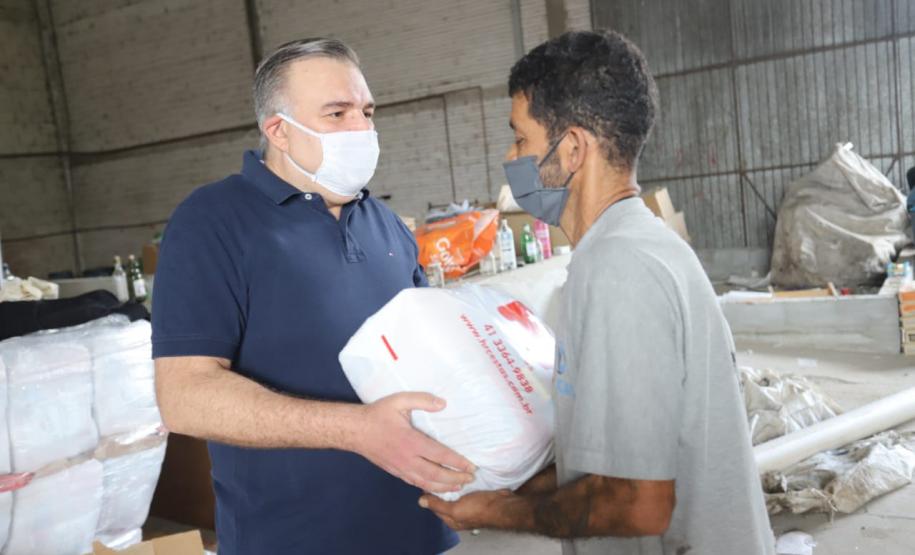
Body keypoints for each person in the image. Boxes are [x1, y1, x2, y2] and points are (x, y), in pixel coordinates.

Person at [420, 29, 775, 555]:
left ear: (572, 149)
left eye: (521, 138)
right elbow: (609, 457)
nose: (510, 155)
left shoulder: (617, 266)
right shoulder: (632, 244)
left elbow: (636, 503)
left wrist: (495, 510)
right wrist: (506, 482)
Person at [151, 38, 474, 554]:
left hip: (419, 531)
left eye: (367, 111)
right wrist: (357, 430)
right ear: (278, 129)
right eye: (337, 112)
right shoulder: (213, 221)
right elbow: (183, 398)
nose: (362, 129)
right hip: (293, 540)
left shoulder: (387, 225)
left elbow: (427, 356)